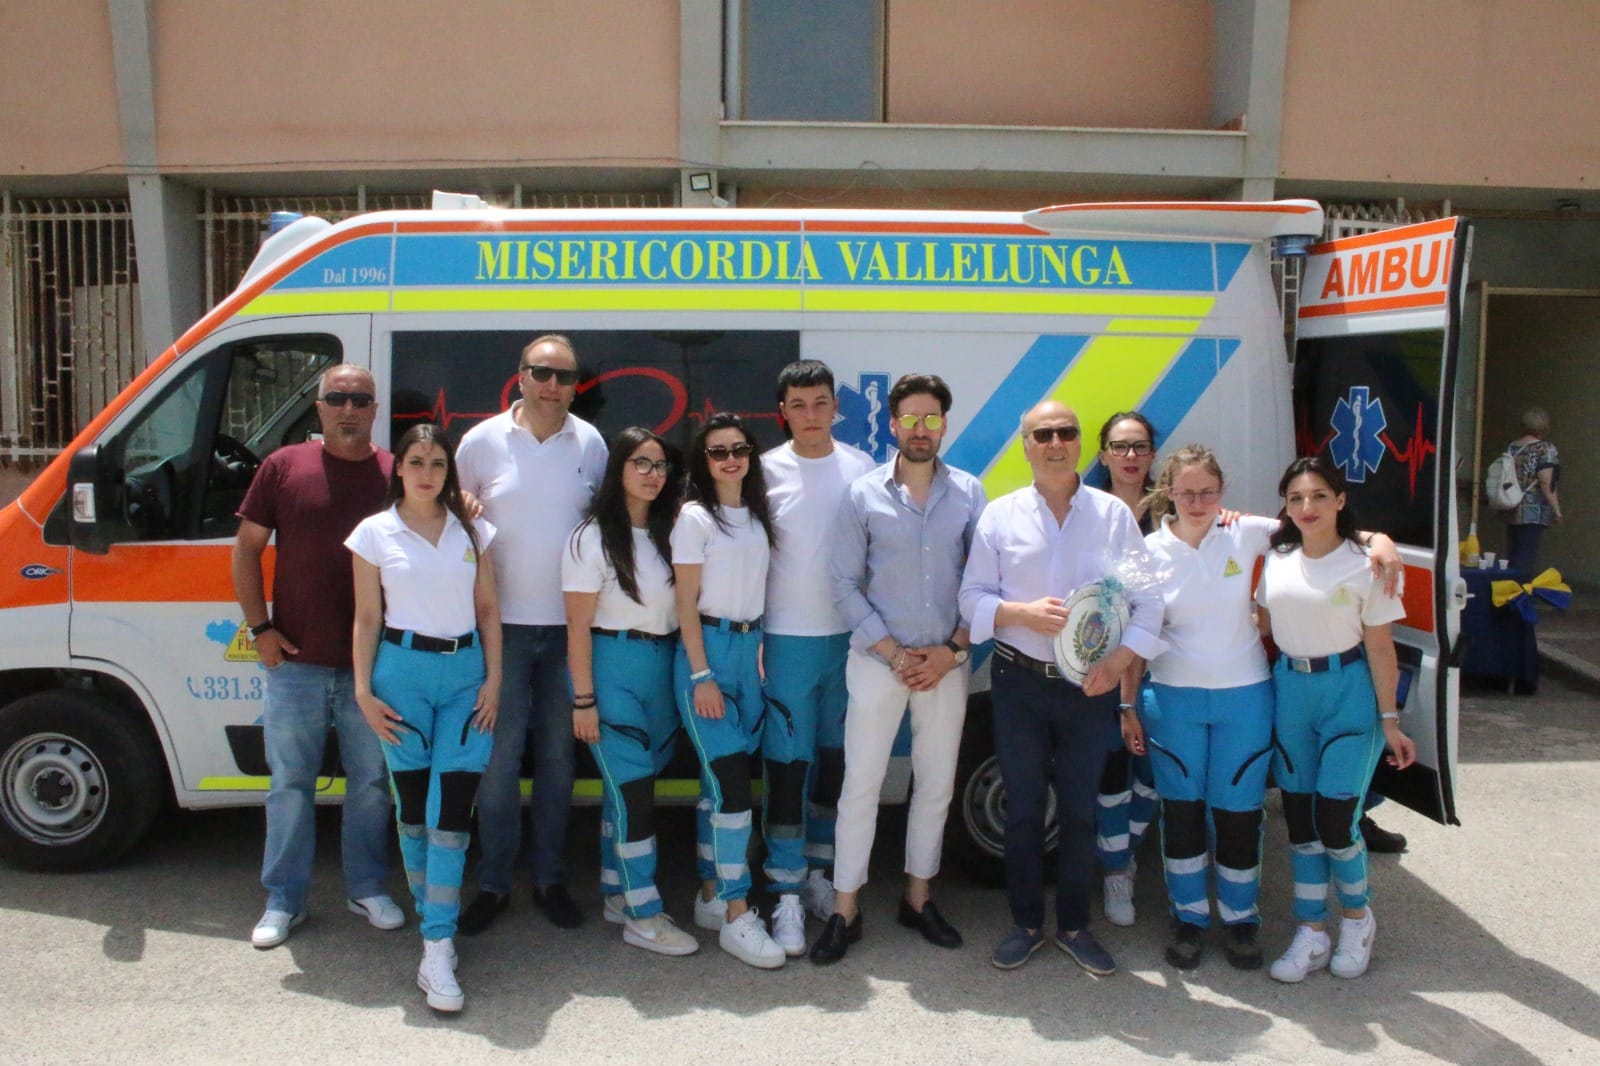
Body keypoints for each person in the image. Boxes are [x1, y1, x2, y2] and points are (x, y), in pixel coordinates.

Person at [958, 400, 1164, 975]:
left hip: (1089, 686)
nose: (1055, 443)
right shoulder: (999, 516)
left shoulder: (1113, 516)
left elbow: (1149, 601)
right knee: (1024, 810)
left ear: (1079, 443)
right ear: (1025, 446)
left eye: (1065, 432)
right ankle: (1025, 923)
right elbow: (970, 598)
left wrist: (1120, 660)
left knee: (1079, 810)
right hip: (1018, 681)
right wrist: (1019, 612)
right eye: (1042, 434)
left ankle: (1075, 926)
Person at [811, 374, 986, 965]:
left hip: (945, 665)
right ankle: (845, 909)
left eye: (930, 418)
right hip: (878, 663)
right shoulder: (862, 494)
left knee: (935, 785)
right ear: (891, 425)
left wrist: (953, 650)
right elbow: (841, 581)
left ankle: (918, 898)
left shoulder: (969, 493)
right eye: (909, 418)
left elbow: (982, 583)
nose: (919, 428)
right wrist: (891, 652)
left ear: (944, 423)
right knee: (859, 786)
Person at [232, 363, 405, 950]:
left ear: (375, 408)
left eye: (361, 398)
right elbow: (246, 551)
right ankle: (284, 899)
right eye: (338, 398)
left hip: (371, 666)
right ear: (319, 404)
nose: (349, 408)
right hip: (297, 662)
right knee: (290, 785)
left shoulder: (393, 473)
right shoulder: (283, 466)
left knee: (371, 784)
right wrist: (261, 629)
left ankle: (366, 887)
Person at [455, 334, 607, 934]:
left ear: (576, 386)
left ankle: (548, 878)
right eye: (541, 373)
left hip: (571, 632)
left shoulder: (590, 444)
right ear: (519, 377)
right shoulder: (480, 442)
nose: (552, 386)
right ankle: (493, 882)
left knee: (556, 764)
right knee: (496, 766)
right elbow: (450, 516)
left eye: (565, 377)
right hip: (502, 633)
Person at [347, 424, 501, 1012]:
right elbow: (366, 618)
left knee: (451, 810)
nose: (427, 472)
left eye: (437, 462)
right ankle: (431, 919)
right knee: (412, 813)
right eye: (415, 461)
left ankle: (438, 944)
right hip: (400, 676)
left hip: (465, 676)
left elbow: (488, 607)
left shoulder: (473, 529)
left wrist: (495, 678)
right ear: (399, 470)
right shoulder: (372, 533)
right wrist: (362, 690)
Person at [1256, 456, 1417, 983]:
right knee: (1300, 823)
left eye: (1320, 496)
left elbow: (1380, 645)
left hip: (1348, 694)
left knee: (1335, 821)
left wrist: (1389, 719)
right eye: (1296, 498)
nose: (1307, 507)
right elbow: (1262, 619)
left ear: (1341, 501)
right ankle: (1310, 932)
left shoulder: (1366, 561)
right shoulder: (1277, 558)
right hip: (1291, 690)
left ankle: (1356, 919)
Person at [562, 428, 699, 957]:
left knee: (629, 793)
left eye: (661, 465)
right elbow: (576, 628)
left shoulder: (673, 533)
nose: (652, 474)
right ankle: (644, 915)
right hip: (611, 665)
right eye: (640, 463)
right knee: (634, 792)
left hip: (664, 668)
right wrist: (584, 700)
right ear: (617, 468)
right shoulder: (589, 539)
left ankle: (616, 892)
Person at [759, 360, 878, 955]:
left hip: (849, 642)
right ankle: (782, 891)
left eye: (821, 402)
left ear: (837, 407)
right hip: (784, 640)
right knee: (787, 767)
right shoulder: (761, 472)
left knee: (834, 764)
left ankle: (819, 876)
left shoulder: (862, 470)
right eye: (799, 404)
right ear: (783, 410)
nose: (811, 415)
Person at [672, 412, 786, 968]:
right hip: (709, 654)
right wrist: (701, 676)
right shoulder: (695, 518)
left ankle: (711, 895)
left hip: (749, 653)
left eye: (739, 449)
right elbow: (685, 604)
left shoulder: (757, 518)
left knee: (717, 790)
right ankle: (740, 916)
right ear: (705, 461)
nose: (730, 459)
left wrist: (758, 658)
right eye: (718, 452)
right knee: (734, 790)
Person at [1092, 410, 1161, 928]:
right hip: (1107, 666)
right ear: (1103, 455)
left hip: (1167, 669)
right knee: (1113, 772)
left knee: (1152, 778)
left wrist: (1372, 539)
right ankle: (1115, 870)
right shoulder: (1089, 513)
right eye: (1120, 446)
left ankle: (1129, 853)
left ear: (1153, 454)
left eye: (1139, 446)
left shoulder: (1178, 511)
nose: (1130, 456)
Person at [1502, 406, 1562, 574]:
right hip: (1533, 511)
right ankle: (1519, 594)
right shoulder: (1545, 449)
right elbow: (1546, 481)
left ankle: (1508, 593)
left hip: (1511, 505)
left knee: (1513, 555)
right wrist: (1556, 508)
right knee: (1526, 558)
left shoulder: (1512, 447)